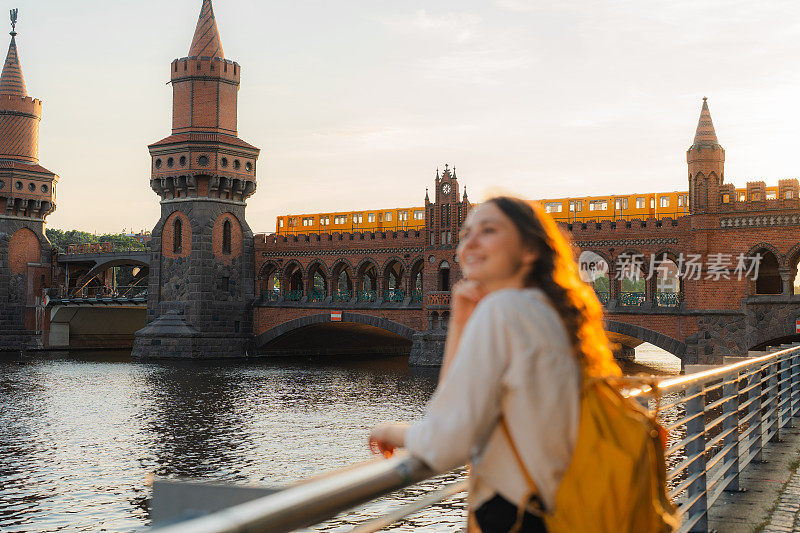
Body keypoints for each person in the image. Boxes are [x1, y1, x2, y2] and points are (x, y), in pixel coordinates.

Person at [368, 196, 620, 533]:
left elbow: (447, 443)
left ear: (528, 250)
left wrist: (392, 432)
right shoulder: (551, 312)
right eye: (466, 232)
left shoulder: (503, 311)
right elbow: (457, 406)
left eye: (488, 231)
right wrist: (459, 321)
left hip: (520, 516)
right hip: (571, 508)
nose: (469, 242)